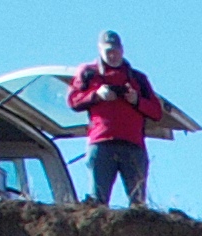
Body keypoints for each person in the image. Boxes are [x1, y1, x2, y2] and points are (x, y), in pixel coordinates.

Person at [65, 33, 164, 210]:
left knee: (138, 204)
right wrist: (97, 95)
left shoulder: (138, 78)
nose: (113, 55)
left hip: (133, 145)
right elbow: (73, 100)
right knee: (98, 203)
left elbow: (157, 112)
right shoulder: (89, 72)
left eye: (116, 50)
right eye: (108, 51)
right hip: (101, 143)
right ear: (100, 50)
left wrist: (136, 100)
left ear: (122, 50)